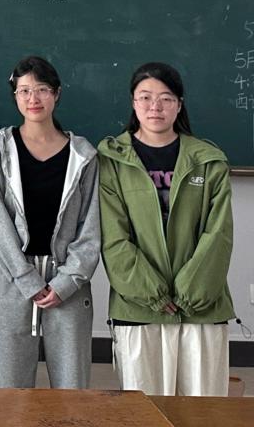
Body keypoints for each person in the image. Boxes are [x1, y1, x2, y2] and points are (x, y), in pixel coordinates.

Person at [99, 62, 234, 396]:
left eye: (166, 98)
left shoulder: (209, 160)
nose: (155, 107)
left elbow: (218, 235)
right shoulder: (112, 160)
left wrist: (189, 293)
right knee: (144, 411)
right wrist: (153, 293)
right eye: (145, 97)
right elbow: (114, 238)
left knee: (203, 411)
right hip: (138, 307)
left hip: (200, 306)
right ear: (133, 102)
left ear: (179, 104)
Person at [0, 56, 100, 389]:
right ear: (15, 96)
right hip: (14, 280)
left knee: (72, 386)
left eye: (42, 89)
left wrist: (67, 281)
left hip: (68, 282)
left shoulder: (83, 155)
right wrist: (26, 279)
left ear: (57, 93)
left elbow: (90, 228)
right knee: (12, 388)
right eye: (24, 91)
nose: (33, 98)